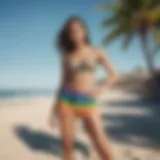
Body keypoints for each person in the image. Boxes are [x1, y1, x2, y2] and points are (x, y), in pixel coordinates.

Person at [49, 16, 118, 160]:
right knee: (67, 146)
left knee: (101, 144)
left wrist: (100, 88)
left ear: (84, 31)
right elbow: (63, 82)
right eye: (70, 31)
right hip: (67, 100)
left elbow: (113, 76)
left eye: (77, 30)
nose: (74, 34)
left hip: (88, 100)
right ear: (68, 35)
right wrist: (53, 109)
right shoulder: (67, 56)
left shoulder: (97, 51)